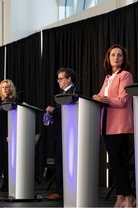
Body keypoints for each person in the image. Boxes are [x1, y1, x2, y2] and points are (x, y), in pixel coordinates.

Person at [93, 44, 135, 207]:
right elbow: (101, 94)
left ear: (124, 58)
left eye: (119, 55)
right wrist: (97, 97)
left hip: (120, 125)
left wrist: (105, 99)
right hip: (107, 124)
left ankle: (129, 196)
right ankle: (120, 196)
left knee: (119, 163)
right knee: (116, 163)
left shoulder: (126, 75)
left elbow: (123, 99)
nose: (116, 58)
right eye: (113, 55)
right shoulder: (108, 77)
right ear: (108, 59)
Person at [44, 67, 78, 201]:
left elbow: (71, 111)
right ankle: (62, 190)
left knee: (62, 162)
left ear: (69, 79)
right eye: (57, 79)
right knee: (59, 162)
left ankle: (62, 191)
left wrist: (54, 110)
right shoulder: (62, 93)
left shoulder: (74, 92)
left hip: (68, 134)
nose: (58, 81)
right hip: (60, 132)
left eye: (61, 78)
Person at [0, 79, 19, 192]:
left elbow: (15, 120)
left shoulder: (14, 101)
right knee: (4, 160)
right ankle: (6, 182)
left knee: (10, 160)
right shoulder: (3, 102)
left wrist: (12, 134)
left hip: (9, 136)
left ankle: (11, 183)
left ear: (11, 89)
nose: (5, 89)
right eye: (3, 87)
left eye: (7, 87)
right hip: (2, 136)